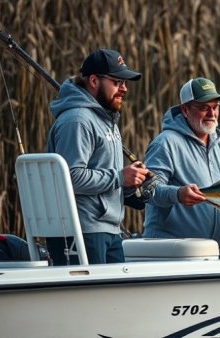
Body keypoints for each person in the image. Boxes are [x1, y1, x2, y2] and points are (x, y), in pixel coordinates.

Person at [46, 48, 148, 265]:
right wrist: (120, 177)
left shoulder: (106, 119)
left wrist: (130, 183)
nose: (124, 89)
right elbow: (72, 178)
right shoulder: (77, 121)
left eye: (125, 83)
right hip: (82, 231)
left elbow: (105, 174)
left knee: (114, 299)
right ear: (94, 80)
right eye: (117, 82)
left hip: (108, 230)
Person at [142, 77, 220, 258]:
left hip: (218, 251)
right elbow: (148, 190)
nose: (211, 113)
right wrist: (178, 194)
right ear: (185, 110)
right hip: (174, 253)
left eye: (215, 107)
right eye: (203, 107)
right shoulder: (165, 143)